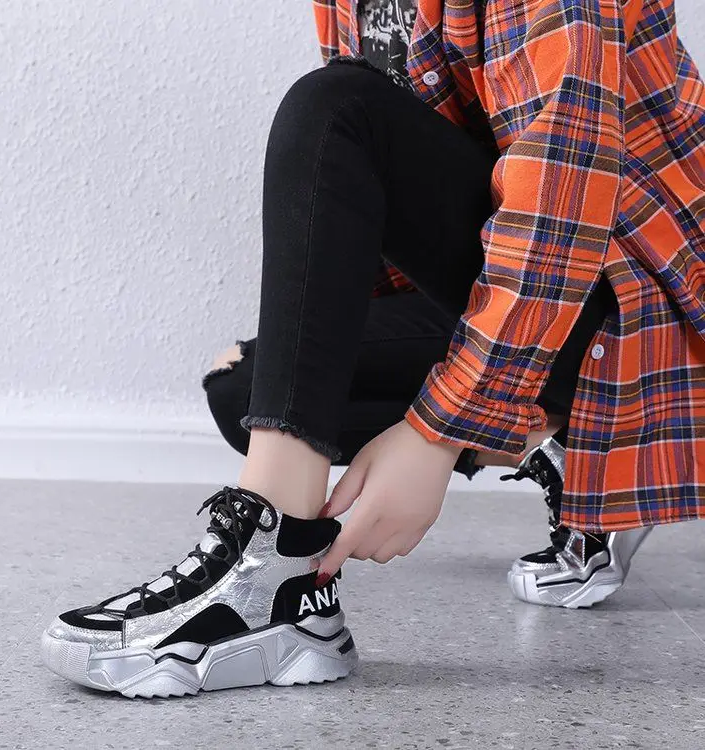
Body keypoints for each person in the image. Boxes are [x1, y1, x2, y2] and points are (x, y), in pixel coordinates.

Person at [41, 0, 704, 697]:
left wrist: (438, 430)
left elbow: (560, 204)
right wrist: (306, 356)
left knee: (336, 109)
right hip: (527, 292)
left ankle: (275, 573)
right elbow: (384, 211)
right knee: (253, 394)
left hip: (638, 307)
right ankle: (567, 450)